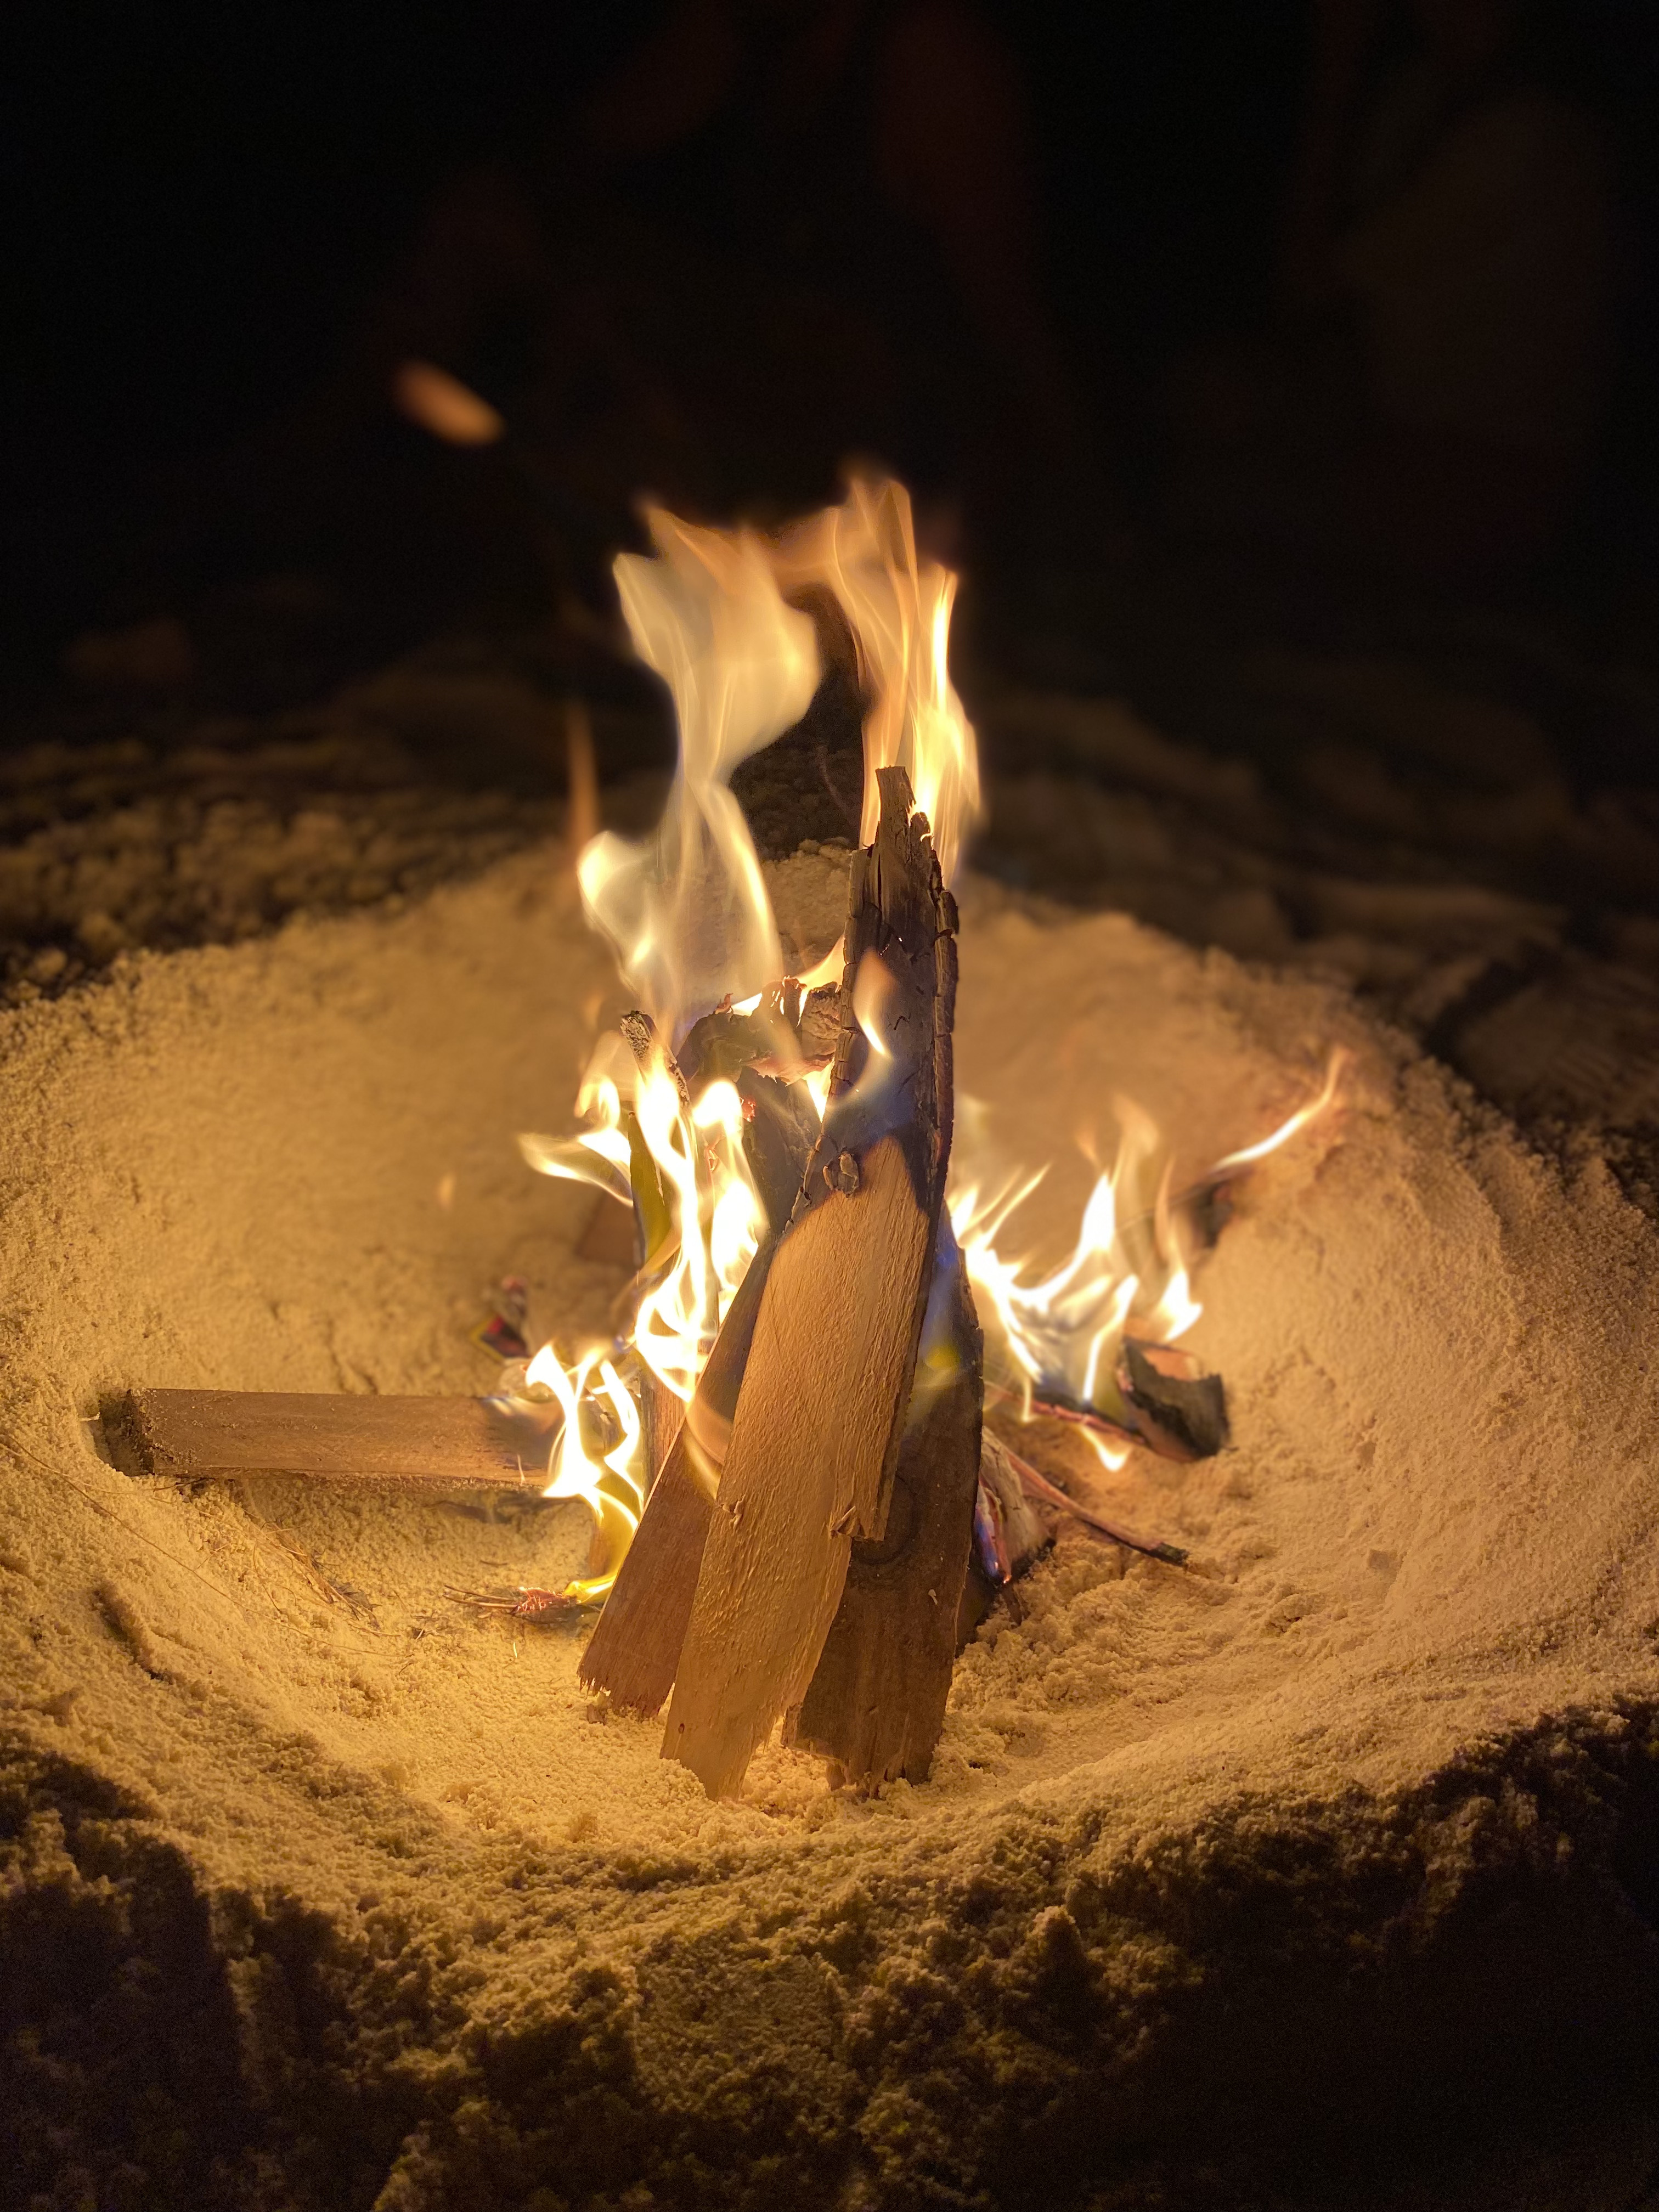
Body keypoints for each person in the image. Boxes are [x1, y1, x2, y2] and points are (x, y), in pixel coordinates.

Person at [1171, 0, 1623, 580]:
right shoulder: (1418, 95)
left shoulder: (1531, 135)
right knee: (1202, 397)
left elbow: (1313, 283)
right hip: (1390, 426)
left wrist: (1334, 78)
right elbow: (1334, 316)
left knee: (1211, 497)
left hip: (1497, 474)